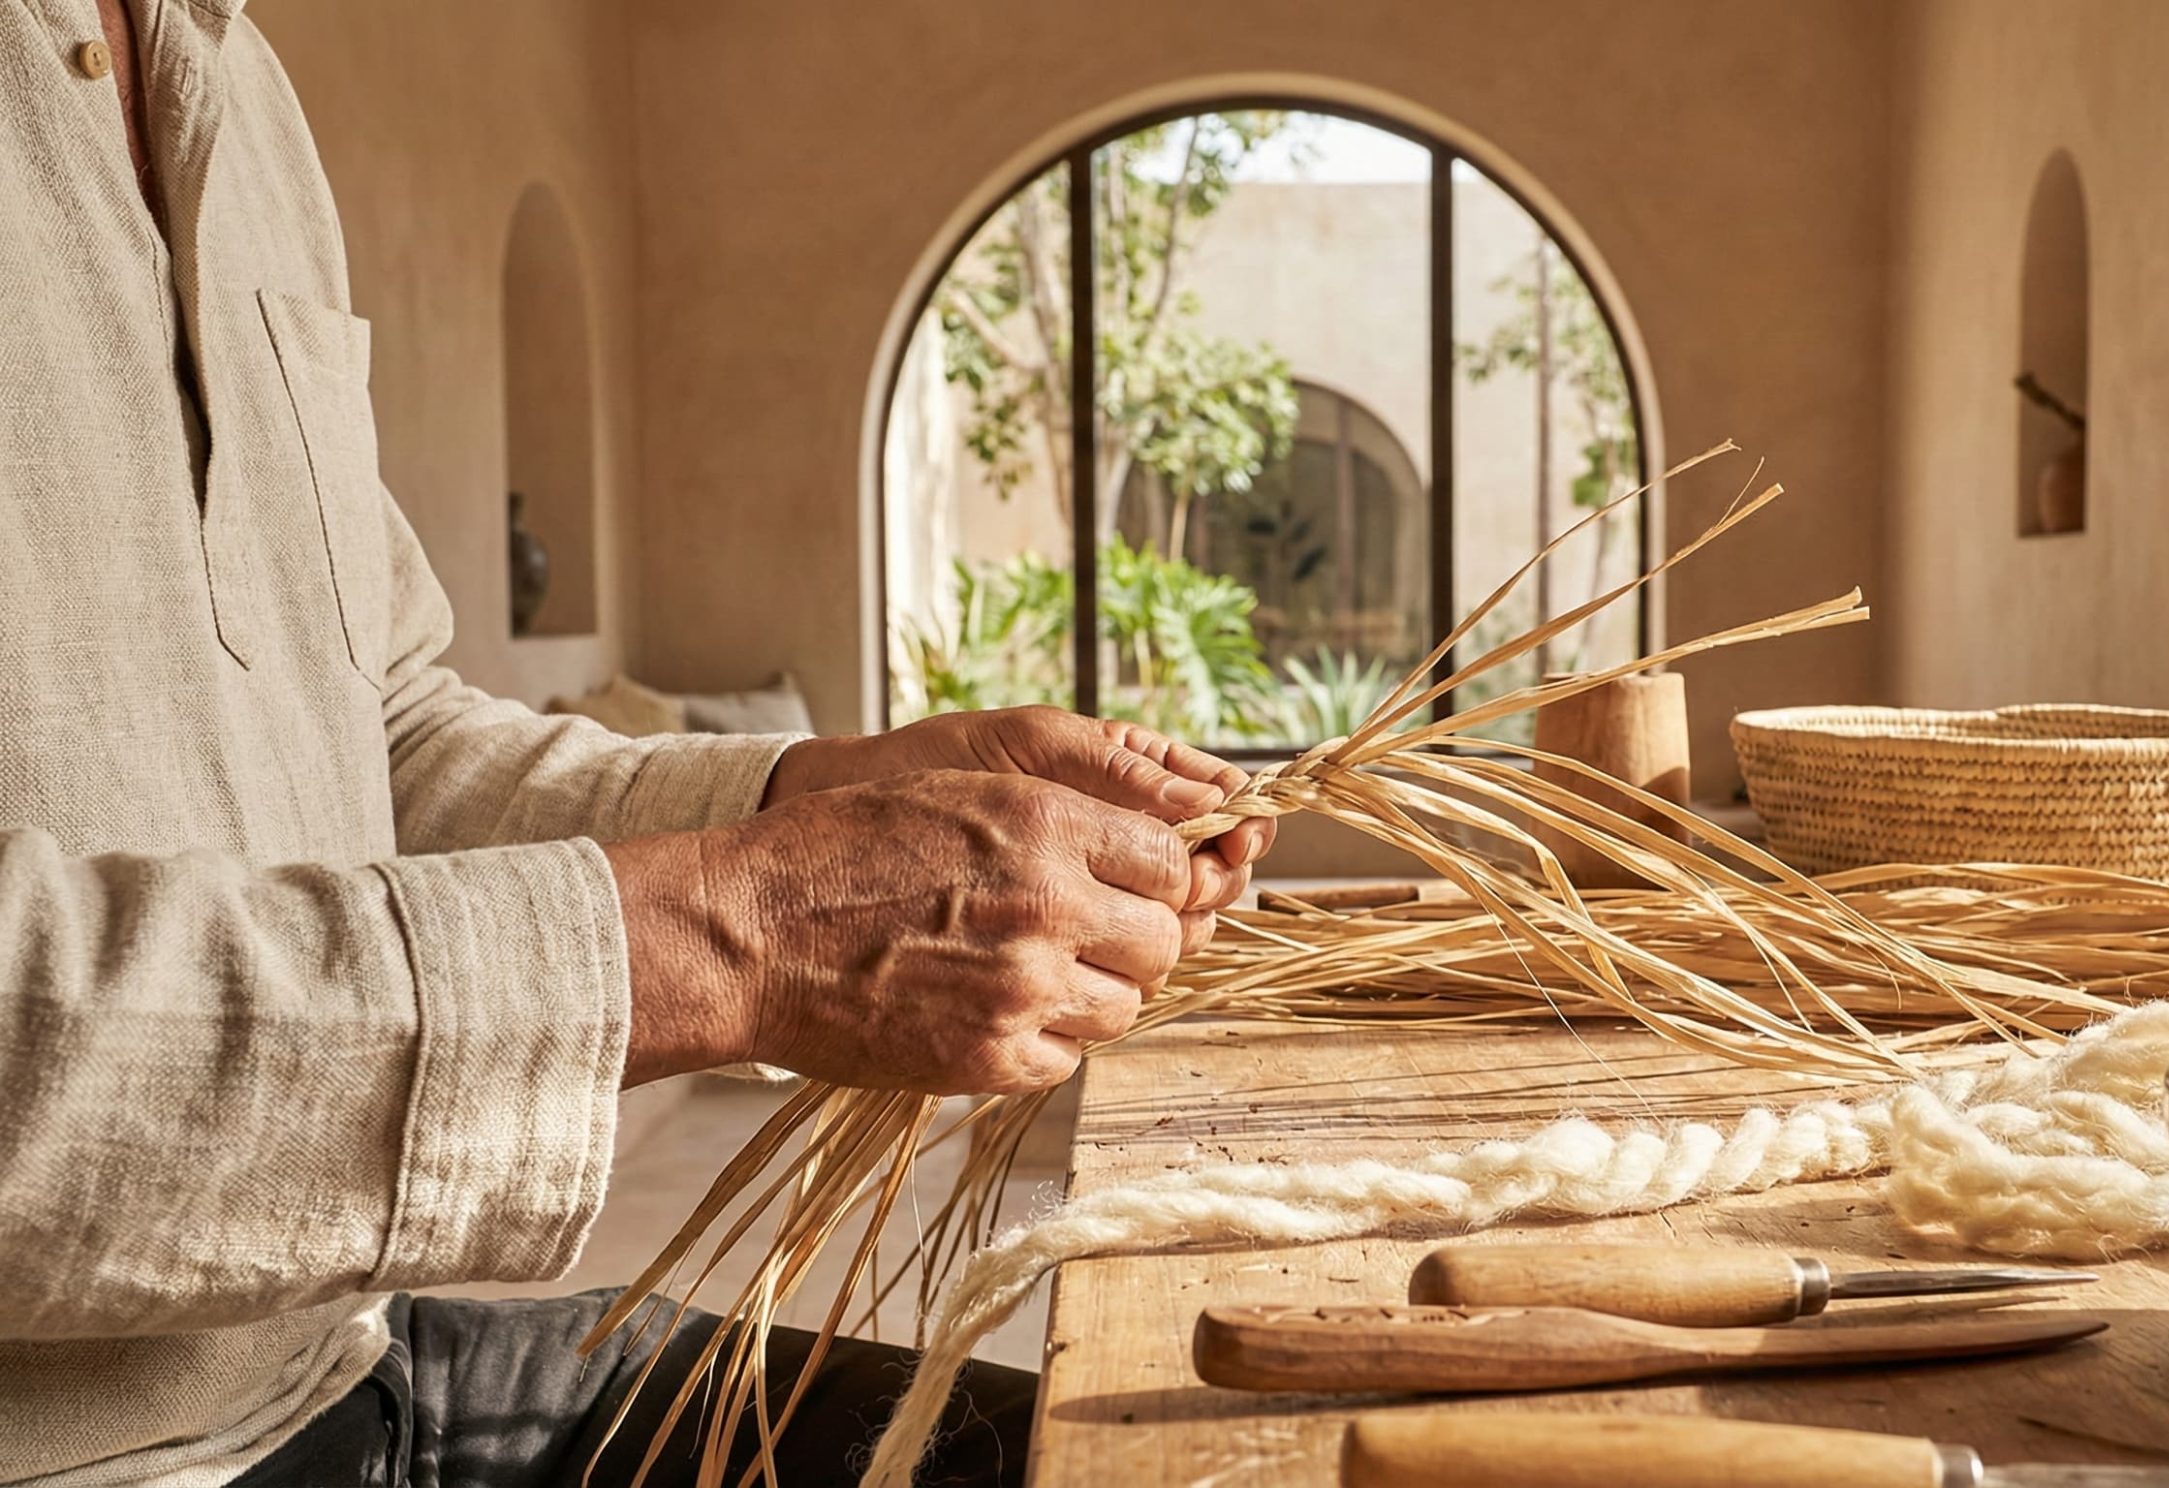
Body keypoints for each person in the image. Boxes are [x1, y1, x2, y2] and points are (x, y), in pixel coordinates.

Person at [0, 2, 1275, 1484]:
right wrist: (736, 935)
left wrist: (817, 799)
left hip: (347, 1359)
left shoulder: (229, 71)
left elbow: (387, 737)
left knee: (1159, 1459)